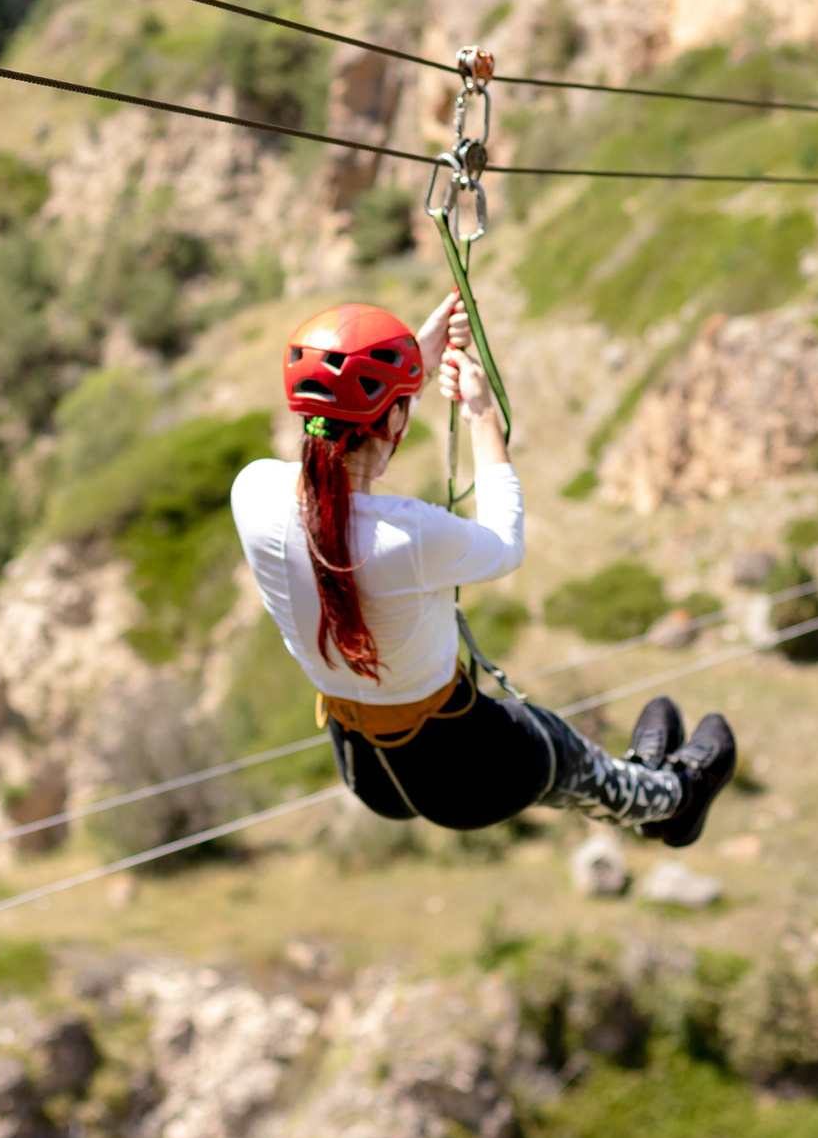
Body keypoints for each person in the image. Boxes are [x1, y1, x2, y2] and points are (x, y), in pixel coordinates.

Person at [230, 294, 736, 843]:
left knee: (556, 756)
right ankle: (673, 797)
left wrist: (413, 367)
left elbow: (346, 448)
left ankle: (649, 781)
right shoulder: (409, 536)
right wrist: (481, 416)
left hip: (368, 773)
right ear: (397, 417)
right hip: (467, 768)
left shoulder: (253, 493)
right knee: (573, 761)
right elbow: (504, 543)